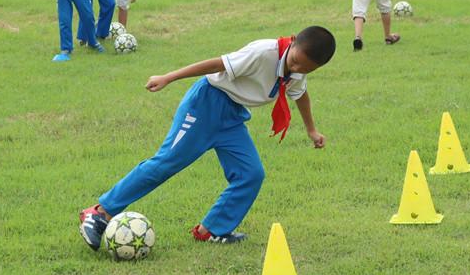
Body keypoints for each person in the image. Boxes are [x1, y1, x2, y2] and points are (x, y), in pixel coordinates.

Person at [79, 26, 337, 248]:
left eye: (306, 68)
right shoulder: (263, 52)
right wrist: (169, 77)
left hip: (232, 118)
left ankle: (212, 230)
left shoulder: (299, 69)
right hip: (206, 105)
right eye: (295, 62)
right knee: (166, 163)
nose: (298, 69)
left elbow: (300, 95)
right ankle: (99, 213)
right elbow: (217, 64)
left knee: (250, 174)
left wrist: (311, 130)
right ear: (292, 42)